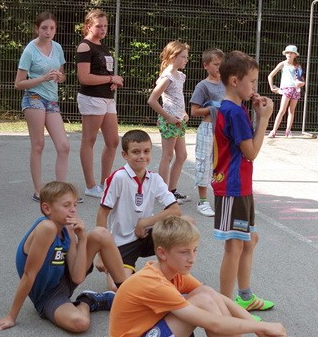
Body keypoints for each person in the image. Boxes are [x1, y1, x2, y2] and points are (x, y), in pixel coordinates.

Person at [109, 216, 292, 337]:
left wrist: (264, 335)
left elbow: (218, 298)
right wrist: (265, 326)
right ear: (162, 253)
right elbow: (214, 324)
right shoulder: (154, 283)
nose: (192, 258)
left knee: (206, 293)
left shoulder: (171, 271)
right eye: (184, 252)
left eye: (195, 250)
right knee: (203, 303)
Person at [0, 181, 127, 333]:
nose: (73, 210)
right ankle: (87, 301)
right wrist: (11, 317)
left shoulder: (67, 227)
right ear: (47, 208)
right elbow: (29, 274)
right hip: (48, 295)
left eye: (75, 205)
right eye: (66, 205)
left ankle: (128, 295)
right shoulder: (46, 228)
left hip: (63, 278)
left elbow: (77, 277)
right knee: (80, 323)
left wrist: (82, 239)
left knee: (101, 233)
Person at [213, 51, 275, 314]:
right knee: (235, 245)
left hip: (240, 186)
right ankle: (226, 306)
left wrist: (257, 115)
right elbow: (251, 152)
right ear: (234, 81)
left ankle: (245, 297)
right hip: (232, 187)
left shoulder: (234, 109)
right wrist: (264, 120)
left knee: (249, 240)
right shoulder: (234, 112)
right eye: (251, 81)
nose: (254, 87)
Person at [94, 130, 182, 289]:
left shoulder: (155, 178)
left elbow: (175, 210)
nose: (142, 156)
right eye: (136, 152)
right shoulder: (118, 177)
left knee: (186, 224)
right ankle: (142, 275)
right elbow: (102, 213)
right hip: (123, 241)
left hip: (147, 235)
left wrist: (145, 223)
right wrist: (102, 254)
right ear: (125, 155)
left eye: (146, 151)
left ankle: (163, 270)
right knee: (116, 287)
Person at [14, 12, 72, 202]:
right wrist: (43, 78)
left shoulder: (57, 47)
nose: (48, 32)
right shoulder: (30, 50)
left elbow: (62, 75)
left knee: (63, 146)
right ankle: (38, 190)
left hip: (51, 100)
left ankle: (61, 191)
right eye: (44, 28)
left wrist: (59, 77)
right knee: (38, 145)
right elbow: (19, 83)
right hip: (34, 98)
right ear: (37, 29)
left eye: (52, 28)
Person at [75, 9, 123, 199]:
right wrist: (111, 78)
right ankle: (91, 186)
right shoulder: (85, 47)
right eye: (98, 26)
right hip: (91, 98)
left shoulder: (102, 46)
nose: (103, 29)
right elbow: (84, 78)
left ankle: (105, 183)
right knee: (89, 140)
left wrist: (114, 80)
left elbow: (104, 73)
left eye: (105, 26)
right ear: (88, 26)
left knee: (113, 141)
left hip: (107, 98)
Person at [147, 40, 191, 204]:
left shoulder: (180, 76)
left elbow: (178, 98)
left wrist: (183, 112)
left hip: (179, 121)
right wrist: (168, 117)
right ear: (173, 57)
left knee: (182, 155)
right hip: (169, 121)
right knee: (168, 155)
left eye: (186, 57)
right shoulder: (167, 77)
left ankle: (171, 190)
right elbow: (152, 100)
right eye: (183, 57)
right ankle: (162, 192)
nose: (186, 60)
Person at [189, 48, 225, 217]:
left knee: (223, 163)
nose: (219, 67)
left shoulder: (227, 83)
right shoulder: (203, 86)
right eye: (216, 64)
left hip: (224, 129)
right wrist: (212, 108)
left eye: (221, 64)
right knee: (204, 163)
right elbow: (194, 111)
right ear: (206, 65)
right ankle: (203, 201)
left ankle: (222, 196)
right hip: (208, 129)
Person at [266, 45, 305, 138]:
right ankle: (273, 131)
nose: (289, 54)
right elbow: (270, 76)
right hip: (286, 89)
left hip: (295, 89)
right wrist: (272, 87)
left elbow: (301, 80)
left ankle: (288, 131)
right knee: (282, 110)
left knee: (291, 110)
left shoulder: (297, 66)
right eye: (287, 52)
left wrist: (301, 83)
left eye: (291, 53)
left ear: (295, 55)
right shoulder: (282, 64)